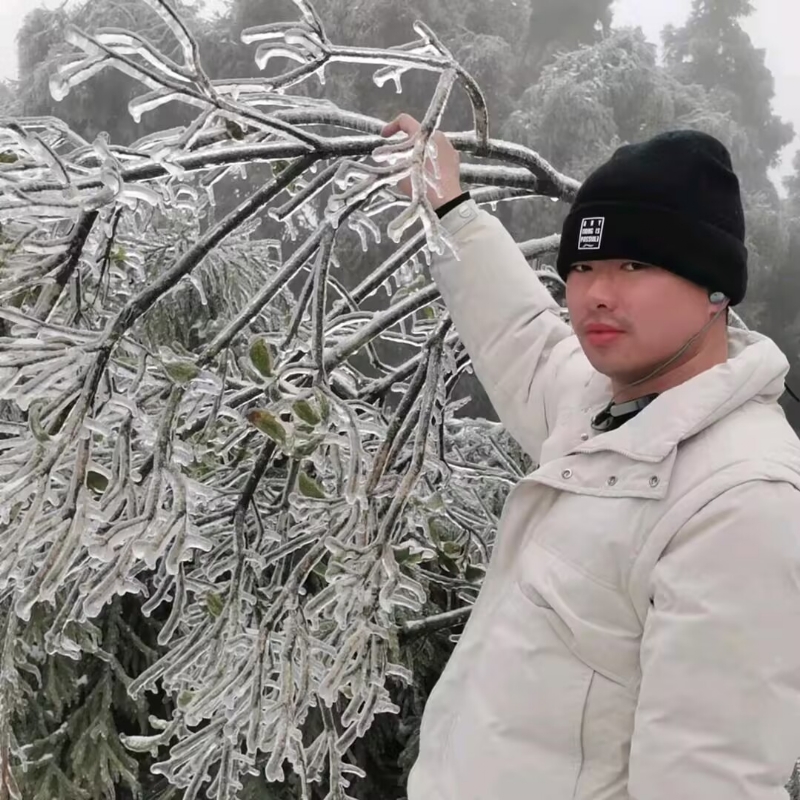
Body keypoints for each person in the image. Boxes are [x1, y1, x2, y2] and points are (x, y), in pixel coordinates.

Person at [381, 114, 800, 800]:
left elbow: (709, 780)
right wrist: (450, 208)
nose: (597, 293)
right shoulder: (597, 406)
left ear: (716, 288)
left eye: (634, 265)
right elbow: (523, 334)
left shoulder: (741, 499)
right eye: (581, 266)